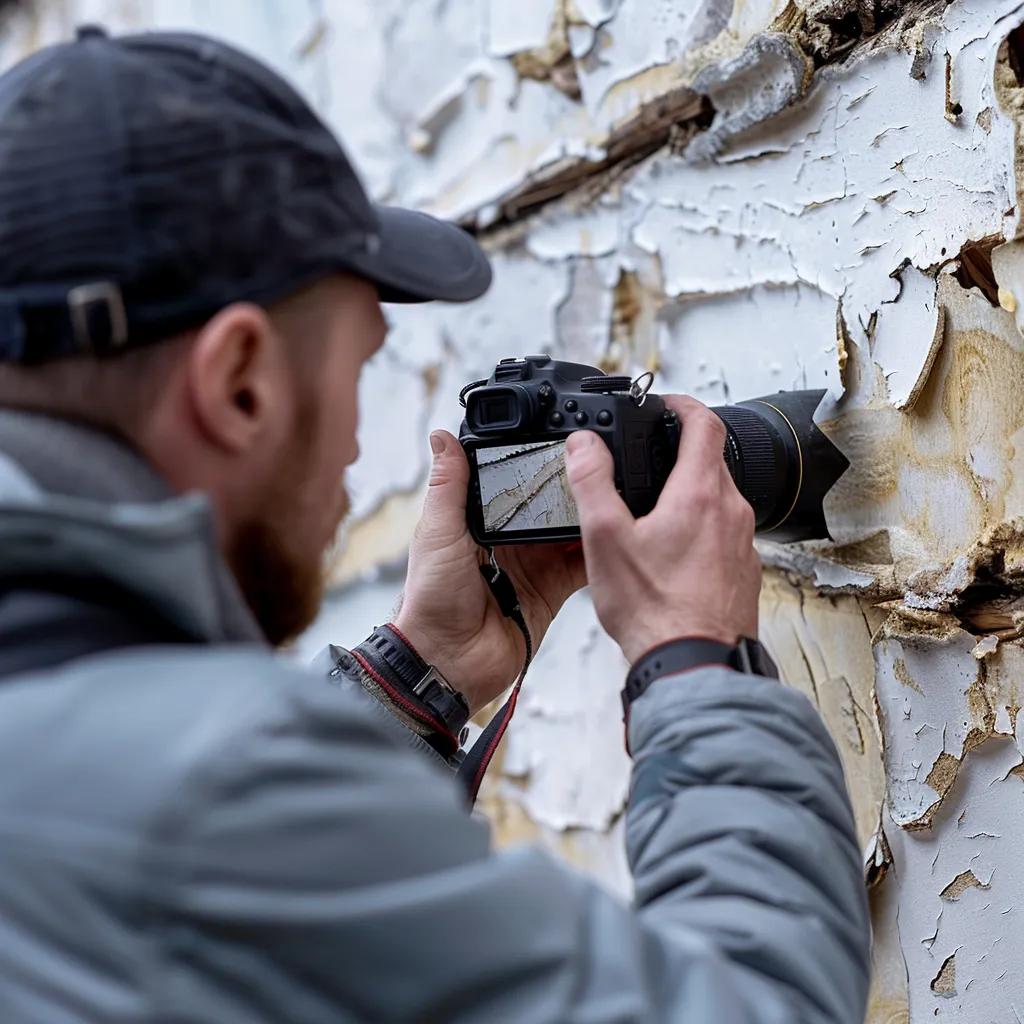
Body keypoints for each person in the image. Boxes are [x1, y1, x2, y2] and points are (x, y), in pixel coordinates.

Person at [0, 26, 870, 1024]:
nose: (352, 459)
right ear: (239, 385)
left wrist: (420, 674)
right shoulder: (212, 795)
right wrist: (698, 669)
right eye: (358, 368)